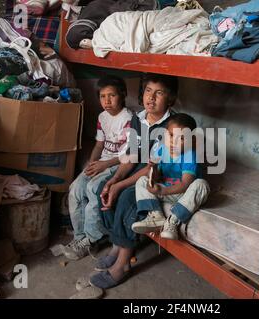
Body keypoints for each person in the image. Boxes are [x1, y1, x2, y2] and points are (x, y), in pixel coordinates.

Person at [88, 73, 178, 288]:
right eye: (148, 91)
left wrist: (121, 185)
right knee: (104, 187)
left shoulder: (171, 126)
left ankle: (123, 263)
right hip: (140, 165)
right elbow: (131, 156)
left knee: (128, 197)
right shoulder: (139, 119)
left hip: (161, 172)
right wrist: (115, 179)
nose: (151, 98)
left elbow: (151, 167)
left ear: (170, 99)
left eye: (159, 93)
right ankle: (117, 244)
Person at [65, 75, 132, 260]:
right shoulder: (102, 117)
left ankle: (92, 239)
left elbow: (127, 155)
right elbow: (99, 145)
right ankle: (80, 237)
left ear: (123, 95)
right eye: (103, 96)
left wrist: (104, 165)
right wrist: (90, 165)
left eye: (112, 96)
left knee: (93, 189)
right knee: (75, 188)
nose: (107, 101)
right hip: (102, 162)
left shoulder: (129, 119)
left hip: (117, 164)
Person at [132, 113, 210, 240]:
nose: (174, 142)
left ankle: (173, 221)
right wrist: (154, 171)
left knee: (202, 185)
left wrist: (163, 190)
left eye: (182, 138)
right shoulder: (162, 149)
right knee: (142, 181)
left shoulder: (190, 155)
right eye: (171, 135)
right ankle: (156, 216)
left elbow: (186, 184)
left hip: (183, 194)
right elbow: (159, 176)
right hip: (166, 190)